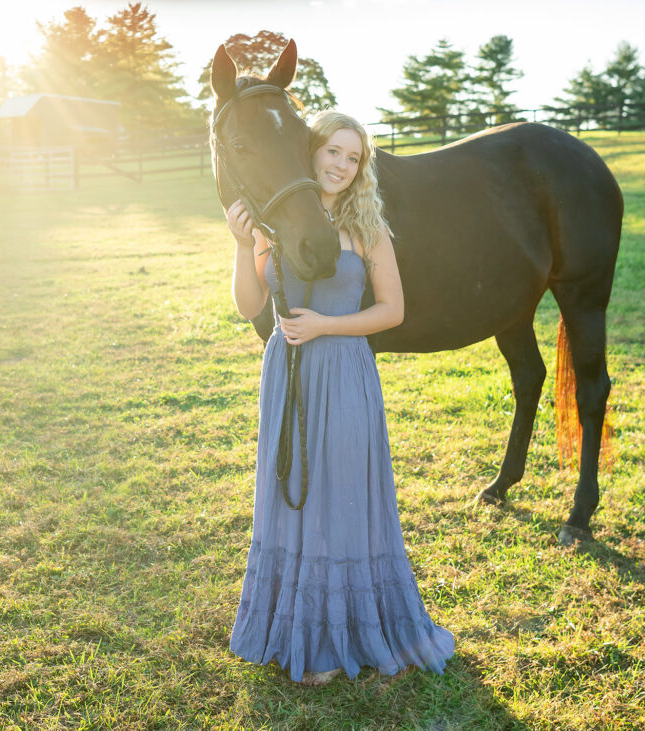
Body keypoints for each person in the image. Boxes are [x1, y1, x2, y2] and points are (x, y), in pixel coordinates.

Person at [226, 110, 454, 686]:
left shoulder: (366, 227)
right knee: (292, 490)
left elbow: (392, 311)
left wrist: (325, 326)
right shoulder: (277, 221)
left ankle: (335, 636)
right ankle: (296, 624)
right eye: (334, 151)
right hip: (288, 373)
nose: (342, 166)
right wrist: (242, 246)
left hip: (345, 370)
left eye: (354, 158)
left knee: (341, 493)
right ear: (312, 150)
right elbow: (250, 305)